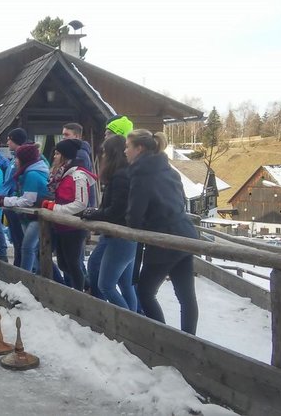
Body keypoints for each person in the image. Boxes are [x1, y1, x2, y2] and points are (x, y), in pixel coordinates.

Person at [125, 129, 199, 334]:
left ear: (139, 149)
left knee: (145, 292)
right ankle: (189, 340)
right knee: (186, 297)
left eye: (127, 146)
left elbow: (134, 218)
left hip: (163, 241)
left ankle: (164, 337)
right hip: (185, 235)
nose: (125, 151)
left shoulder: (141, 175)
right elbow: (181, 202)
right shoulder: (168, 169)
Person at [80, 135, 138, 310]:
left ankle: (127, 323)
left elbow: (116, 211)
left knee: (106, 284)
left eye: (104, 152)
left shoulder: (120, 177)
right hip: (121, 236)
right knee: (125, 284)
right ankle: (132, 319)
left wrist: (94, 214)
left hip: (119, 236)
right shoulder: (123, 174)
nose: (102, 156)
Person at [40, 139, 96, 291]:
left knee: (73, 263)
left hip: (74, 227)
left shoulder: (78, 175)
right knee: (64, 263)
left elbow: (81, 203)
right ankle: (84, 286)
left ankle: (80, 293)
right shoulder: (62, 174)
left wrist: (54, 208)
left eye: (57, 154)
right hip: (61, 225)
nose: (54, 157)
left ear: (65, 156)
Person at [0, 142, 50, 275]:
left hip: (36, 215)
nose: (15, 161)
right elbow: (22, 195)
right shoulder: (27, 172)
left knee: (27, 247)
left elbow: (28, 200)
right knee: (33, 249)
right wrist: (6, 199)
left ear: (24, 159)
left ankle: (25, 277)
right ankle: (36, 274)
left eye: (17, 158)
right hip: (29, 215)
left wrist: (5, 201)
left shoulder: (32, 175)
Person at [0, 128, 28, 267]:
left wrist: (9, 196)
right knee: (15, 238)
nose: (7, 142)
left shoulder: (22, 159)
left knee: (20, 239)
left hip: (15, 202)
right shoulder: (14, 158)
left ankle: (20, 267)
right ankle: (17, 264)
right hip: (8, 201)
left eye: (10, 139)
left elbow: (16, 182)